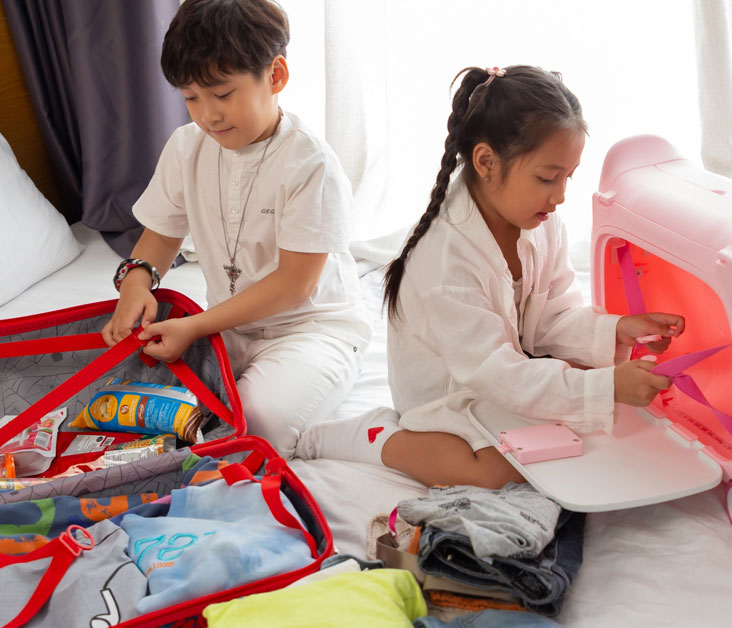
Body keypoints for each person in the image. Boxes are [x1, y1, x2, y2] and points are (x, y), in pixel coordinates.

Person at [297, 66, 684, 487]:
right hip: (455, 389)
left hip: (509, 364)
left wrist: (616, 330)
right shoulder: (446, 257)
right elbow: (493, 371)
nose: (560, 196)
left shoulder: (542, 220)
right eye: (547, 178)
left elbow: (553, 316)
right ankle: (372, 437)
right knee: (500, 470)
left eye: (568, 178)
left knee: (584, 397)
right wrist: (603, 388)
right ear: (486, 162)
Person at [102, 0, 371, 458]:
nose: (208, 115)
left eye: (223, 94)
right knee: (132, 399)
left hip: (308, 330)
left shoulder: (310, 163)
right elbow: (162, 235)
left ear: (275, 76)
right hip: (224, 326)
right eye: (191, 98)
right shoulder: (186, 146)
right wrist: (136, 282)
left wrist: (195, 326)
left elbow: (295, 284)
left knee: (256, 423)